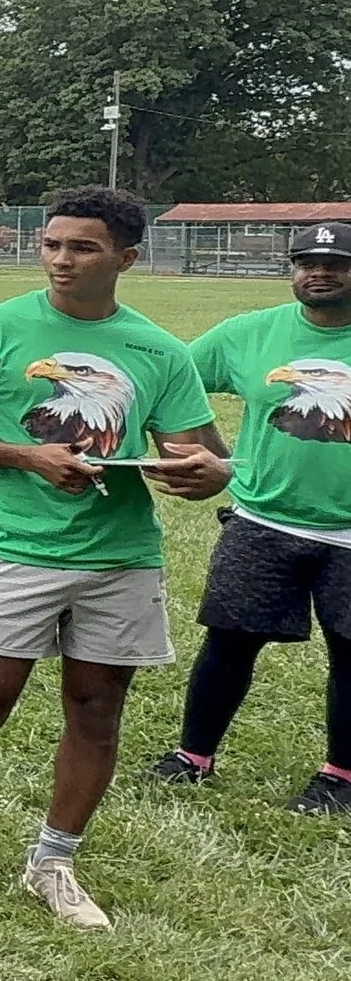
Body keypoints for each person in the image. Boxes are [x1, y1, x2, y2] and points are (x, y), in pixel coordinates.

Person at [0, 187, 231, 930]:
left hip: (122, 557)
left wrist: (202, 475)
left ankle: (54, 862)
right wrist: (27, 457)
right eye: (52, 244)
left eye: (83, 247)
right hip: (17, 549)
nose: (61, 260)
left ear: (126, 257)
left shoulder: (159, 350)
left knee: (97, 713)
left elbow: (202, 458)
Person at [147, 223, 351, 815]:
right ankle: (193, 756)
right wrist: (207, 451)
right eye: (307, 261)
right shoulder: (250, 333)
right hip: (263, 520)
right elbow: (171, 384)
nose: (320, 272)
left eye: (336, 262)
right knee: (229, 643)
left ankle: (340, 775)